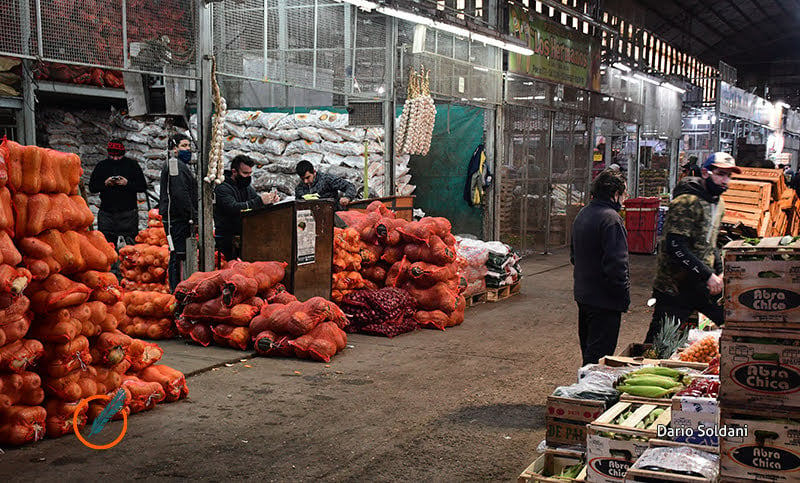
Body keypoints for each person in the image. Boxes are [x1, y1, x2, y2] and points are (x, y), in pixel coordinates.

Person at [645, 152, 741, 342]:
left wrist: (720, 272)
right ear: (706, 173)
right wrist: (707, 274)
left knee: (731, 324)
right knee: (658, 344)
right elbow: (675, 246)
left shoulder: (718, 204)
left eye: (729, 176)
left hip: (701, 286)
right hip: (674, 287)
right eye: (720, 174)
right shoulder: (686, 202)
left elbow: (711, 243)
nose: (725, 181)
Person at [570, 168, 630, 366]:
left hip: (584, 295)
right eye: (624, 194)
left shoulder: (583, 214)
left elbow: (573, 256)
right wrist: (623, 297)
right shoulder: (611, 220)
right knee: (599, 358)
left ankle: (582, 391)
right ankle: (587, 394)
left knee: (589, 352)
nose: (625, 199)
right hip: (605, 300)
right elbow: (617, 266)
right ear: (615, 194)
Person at [214, 154, 279, 261]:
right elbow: (233, 207)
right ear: (234, 172)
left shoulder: (246, 187)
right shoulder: (223, 188)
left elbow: (255, 201)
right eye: (245, 173)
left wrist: (269, 201)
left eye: (250, 173)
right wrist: (260, 201)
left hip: (245, 234)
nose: (248, 177)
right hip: (227, 238)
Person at [88, 139, 148, 247]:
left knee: (130, 245)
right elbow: (92, 188)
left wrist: (127, 183)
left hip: (128, 213)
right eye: (112, 156)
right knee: (106, 246)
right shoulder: (102, 166)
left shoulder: (132, 165)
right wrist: (105, 184)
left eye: (118, 156)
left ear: (123, 154)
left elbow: (142, 186)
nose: (115, 159)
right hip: (107, 213)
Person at [159, 133, 198, 293]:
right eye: (183, 146)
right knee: (178, 254)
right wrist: (192, 215)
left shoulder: (181, 166)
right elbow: (180, 194)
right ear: (173, 149)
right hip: (177, 218)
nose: (187, 149)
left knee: (178, 254)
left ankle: (179, 288)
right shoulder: (175, 166)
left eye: (188, 146)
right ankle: (177, 290)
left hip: (179, 217)